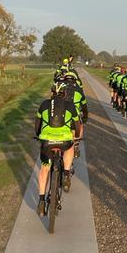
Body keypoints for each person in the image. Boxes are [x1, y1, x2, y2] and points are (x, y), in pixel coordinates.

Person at [34, 81, 79, 214]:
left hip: (47, 142)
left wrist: (39, 137)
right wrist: (75, 137)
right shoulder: (70, 106)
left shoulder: (44, 104)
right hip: (64, 141)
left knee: (44, 169)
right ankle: (66, 174)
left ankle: (41, 201)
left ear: (52, 93)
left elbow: (37, 124)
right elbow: (77, 125)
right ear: (65, 94)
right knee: (70, 148)